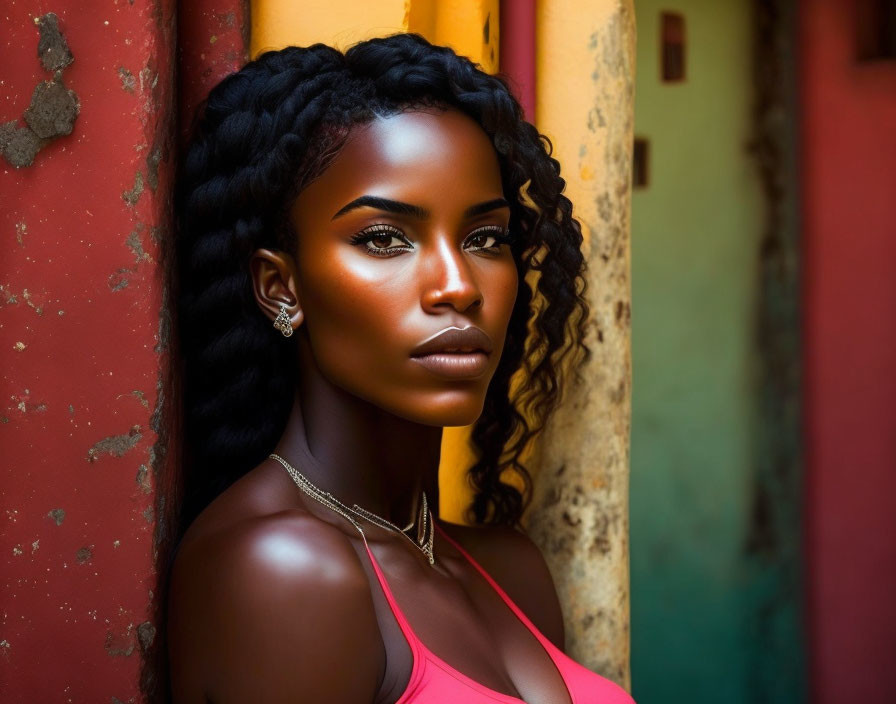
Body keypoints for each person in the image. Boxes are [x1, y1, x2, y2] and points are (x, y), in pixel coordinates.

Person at [150, 32, 634, 704]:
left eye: (485, 238)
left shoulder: (508, 568)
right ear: (280, 287)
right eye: (385, 238)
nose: (458, 286)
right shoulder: (284, 573)